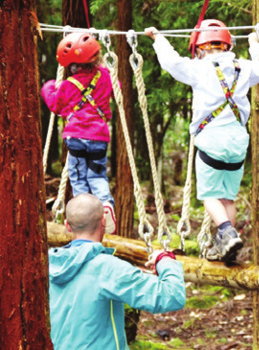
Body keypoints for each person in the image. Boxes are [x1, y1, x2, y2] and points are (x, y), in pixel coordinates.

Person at [145, 19, 259, 262]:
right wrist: (256, 44)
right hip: (238, 142)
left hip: (212, 141)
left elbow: (172, 62)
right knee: (227, 198)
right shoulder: (242, 68)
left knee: (209, 195)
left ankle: (226, 231)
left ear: (200, 49)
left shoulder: (199, 68)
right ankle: (222, 246)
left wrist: (158, 38)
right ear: (228, 45)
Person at [49, 193, 186, 349]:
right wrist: (165, 260)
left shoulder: (46, 267)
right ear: (103, 221)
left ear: (67, 225)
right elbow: (172, 296)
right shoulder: (109, 269)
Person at [42, 32, 117, 234]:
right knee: (97, 175)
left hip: (75, 138)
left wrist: (48, 86)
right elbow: (113, 88)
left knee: (78, 178)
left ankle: (82, 217)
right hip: (99, 137)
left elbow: (55, 105)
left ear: (73, 66)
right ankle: (106, 204)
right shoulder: (105, 77)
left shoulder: (67, 85)